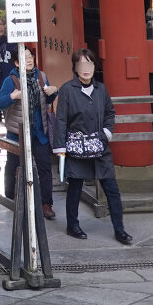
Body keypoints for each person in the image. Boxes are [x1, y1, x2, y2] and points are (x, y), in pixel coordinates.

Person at [53, 48, 131, 244]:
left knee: (111, 187)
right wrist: (60, 147)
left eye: (89, 63)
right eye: (81, 64)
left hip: (99, 145)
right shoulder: (67, 90)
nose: (85, 68)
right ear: (75, 67)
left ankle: (119, 229)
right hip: (77, 147)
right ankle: (72, 225)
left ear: (95, 66)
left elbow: (110, 113)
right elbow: (60, 120)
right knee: (75, 187)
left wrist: (106, 133)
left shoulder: (101, 89)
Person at [0, 44, 59, 220]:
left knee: (44, 168)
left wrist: (54, 91)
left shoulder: (41, 76)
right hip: (18, 133)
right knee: (13, 165)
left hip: (39, 132)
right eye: (25, 58)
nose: (29, 60)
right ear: (17, 63)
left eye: (30, 56)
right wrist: (12, 96)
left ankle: (46, 203)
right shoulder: (11, 81)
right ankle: (11, 196)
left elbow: (47, 99)